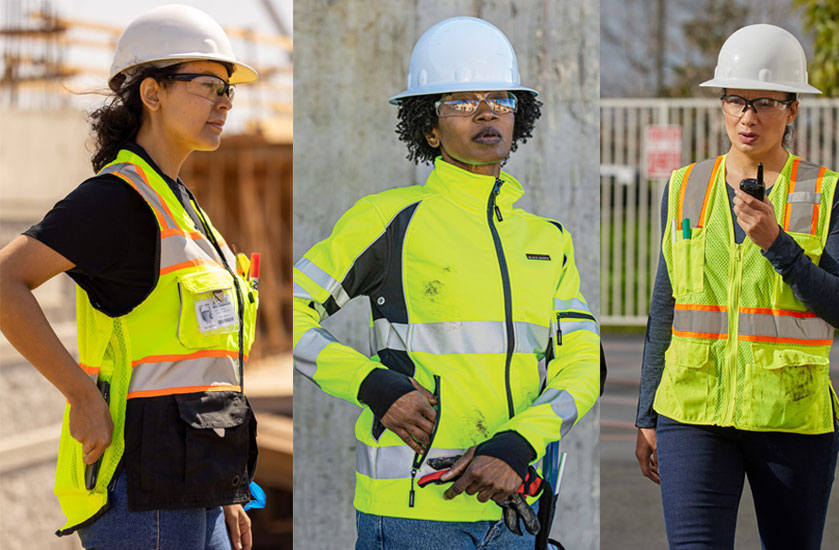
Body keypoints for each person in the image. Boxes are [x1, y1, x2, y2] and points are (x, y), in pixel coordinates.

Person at [292, 16, 600, 550]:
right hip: (410, 515)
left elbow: (582, 361)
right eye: (460, 102)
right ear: (429, 128)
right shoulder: (387, 220)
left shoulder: (549, 239)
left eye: (500, 99)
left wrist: (519, 443)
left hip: (514, 505)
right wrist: (372, 384)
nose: (486, 112)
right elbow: (288, 311)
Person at [0, 5, 261, 549]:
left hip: (199, 487)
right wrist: (81, 396)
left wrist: (228, 486)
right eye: (209, 84)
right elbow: (5, 281)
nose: (225, 102)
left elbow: (204, 362)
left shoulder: (181, 204)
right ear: (151, 92)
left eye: (229, 90)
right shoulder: (116, 201)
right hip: (143, 494)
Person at [634, 23, 839, 550]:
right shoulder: (685, 185)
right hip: (691, 412)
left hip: (789, 414)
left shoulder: (823, 189)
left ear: (792, 109)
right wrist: (647, 412)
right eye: (735, 99)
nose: (747, 116)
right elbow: (664, 309)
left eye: (764, 102)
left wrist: (777, 242)